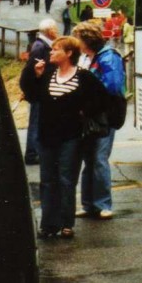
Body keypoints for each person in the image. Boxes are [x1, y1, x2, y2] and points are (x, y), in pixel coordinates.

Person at [22, 35, 106, 239]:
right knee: (47, 180)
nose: (51, 52)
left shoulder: (83, 76)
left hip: (71, 137)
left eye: (56, 49)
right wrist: (35, 75)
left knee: (66, 180)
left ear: (69, 53)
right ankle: (48, 225)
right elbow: (31, 95)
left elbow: (102, 99)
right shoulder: (47, 74)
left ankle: (66, 223)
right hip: (46, 136)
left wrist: (84, 111)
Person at [73, 21, 125, 220]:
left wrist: (87, 90)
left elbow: (113, 85)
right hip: (91, 114)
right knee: (89, 159)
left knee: (99, 158)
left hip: (105, 115)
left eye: (78, 38)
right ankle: (89, 204)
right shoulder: (89, 57)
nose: (76, 43)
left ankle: (103, 204)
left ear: (87, 40)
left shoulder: (108, 57)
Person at [20, 18, 60, 165]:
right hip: (39, 92)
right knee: (36, 123)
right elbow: (28, 72)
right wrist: (30, 91)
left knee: (39, 122)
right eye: (55, 28)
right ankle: (32, 154)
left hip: (41, 91)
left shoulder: (43, 45)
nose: (57, 31)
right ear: (49, 31)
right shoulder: (40, 47)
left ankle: (36, 152)